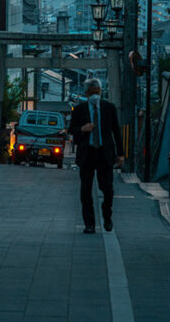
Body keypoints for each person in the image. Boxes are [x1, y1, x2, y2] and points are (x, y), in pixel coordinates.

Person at [69, 78, 125, 233]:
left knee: (107, 188)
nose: (95, 95)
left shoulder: (109, 108)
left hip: (104, 152)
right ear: (86, 94)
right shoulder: (79, 109)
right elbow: (71, 129)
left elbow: (116, 131)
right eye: (92, 92)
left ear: (101, 92)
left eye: (97, 92)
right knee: (85, 189)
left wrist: (120, 153)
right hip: (87, 153)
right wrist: (82, 129)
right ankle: (89, 223)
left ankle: (107, 216)